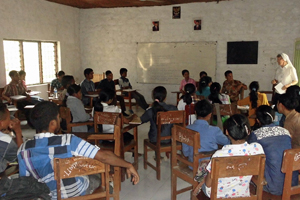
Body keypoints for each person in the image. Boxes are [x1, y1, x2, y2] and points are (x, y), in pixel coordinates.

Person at [17, 101, 139, 199]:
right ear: (53, 124)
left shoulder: (23, 150)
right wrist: (128, 165)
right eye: (59, 118)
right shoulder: (69, 140)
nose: (60, 120)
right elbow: (104, 156)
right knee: (101, 177)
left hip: (48, 195)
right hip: (76, 192)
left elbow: (27, 182)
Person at [200, 114, 264, 198]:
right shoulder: (257, 149)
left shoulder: (219, 155)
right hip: (242, 194)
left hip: (218, 195)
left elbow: (208, 184)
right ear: (248, 131)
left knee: (201, 177)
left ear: (227, 132)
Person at [248, 105, 298, 195]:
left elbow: (249, 153)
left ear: (258, 120)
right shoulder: (285, 131)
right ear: (273, 117)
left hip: (273, 186)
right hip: (292, 183)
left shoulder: (256, 135)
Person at [183, 100, 230, 165]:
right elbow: (227, 142)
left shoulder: (187, 128)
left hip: (192, 164)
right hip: (209, 166)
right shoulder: (215, 130)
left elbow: (186, 153)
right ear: (210, 115)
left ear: (196, 112)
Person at [0, 103, 23, 173]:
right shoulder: (6, 141)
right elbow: (22, 157)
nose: (10, 119)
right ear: (1, 123)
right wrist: (18, 131)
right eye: (9, 117)